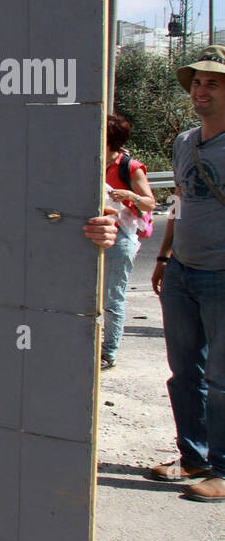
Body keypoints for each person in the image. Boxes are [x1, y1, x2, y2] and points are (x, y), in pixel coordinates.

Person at [147, 44, 225, 502]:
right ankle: (193, 455)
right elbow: (178, 202)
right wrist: (164, 256)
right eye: (196, 82)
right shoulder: (184, 142)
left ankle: (222, 468)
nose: (200, 90)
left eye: (212, 83)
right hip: (182, 271)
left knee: (221, 377)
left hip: (221, 273)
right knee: (183, 371)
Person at [101, 113, 155, 369]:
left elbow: (150, 202)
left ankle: (107, 353)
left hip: (120, 235)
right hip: (94, 231)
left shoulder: (130, 167)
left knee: (112, 298)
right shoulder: (91, 159)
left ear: (110, 140)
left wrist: (131, 196)